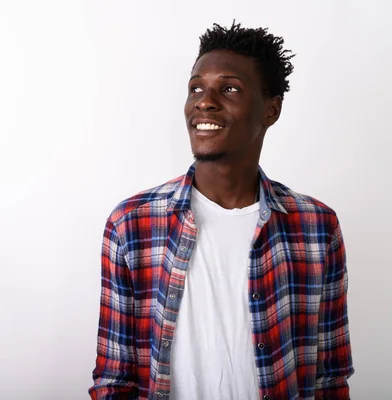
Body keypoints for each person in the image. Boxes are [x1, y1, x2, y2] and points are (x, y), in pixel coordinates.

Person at [89, 22, 353, 400]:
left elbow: (330, 379)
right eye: (196, 88)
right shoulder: (131, 224)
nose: (204, 101)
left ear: (271, 109)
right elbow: (115, 379)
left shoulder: (316, 226)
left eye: (228, 88)